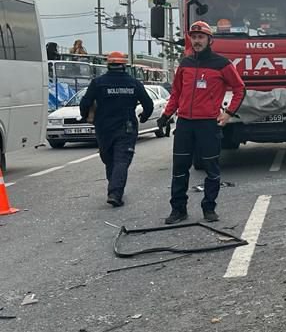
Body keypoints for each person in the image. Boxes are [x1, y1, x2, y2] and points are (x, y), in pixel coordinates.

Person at [156, 21, 245, 224]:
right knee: (179, 169)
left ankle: (209, 208)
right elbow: (177, 93)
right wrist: (165, 116)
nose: (196, 41)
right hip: (185, 124)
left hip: (208, 125)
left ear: (209, 40)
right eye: (194, 37)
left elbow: (240, 89)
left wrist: (229, 113)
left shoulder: (222, 64)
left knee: (211, 169)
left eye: (200, 37)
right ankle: (178, 210)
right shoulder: (185, 64)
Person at [79, 52, 154, 207]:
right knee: (121, 159)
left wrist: (86, 116)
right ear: (124, 66)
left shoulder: (98, 83)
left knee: (110, 159)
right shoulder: (133, 83)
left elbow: (85, 103)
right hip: (126, 127)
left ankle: (114, 191)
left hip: (104, 128)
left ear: (108, 65)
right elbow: (148, 104)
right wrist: (144, 117)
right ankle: (115, 191)